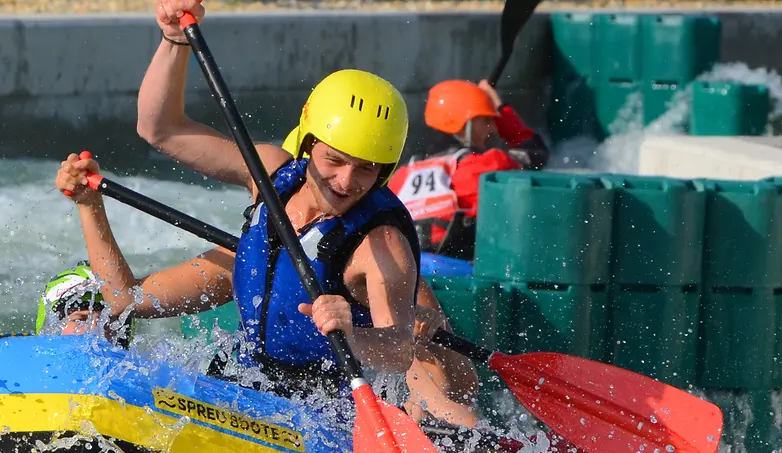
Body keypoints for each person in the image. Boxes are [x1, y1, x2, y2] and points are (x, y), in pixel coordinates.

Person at [104, 0, 419, 399]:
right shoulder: (272, 173)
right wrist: (172, 38)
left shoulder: (383, 246)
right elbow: (160, 129)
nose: (345, 180)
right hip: (245, 377)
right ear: (307, 143)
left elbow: (400, 350)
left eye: (366, 169)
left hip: (319, 408)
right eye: (334, 160)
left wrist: (354, 335)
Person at [386, 79, 549, 260]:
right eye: (487, 120)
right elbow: (536, 154)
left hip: (408, 270)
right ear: (466, 125)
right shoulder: (484, 165)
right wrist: (500, 107)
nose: (494, 128)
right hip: (459, 276)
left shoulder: (401, 175)